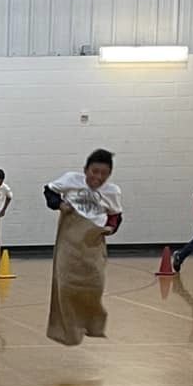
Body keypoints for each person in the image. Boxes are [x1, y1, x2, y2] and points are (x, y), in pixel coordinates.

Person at [44, 148, 123, 346]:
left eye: (104, 174)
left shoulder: (112, 191)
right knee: (66, 285)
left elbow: (115, 215)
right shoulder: (71, 180)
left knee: (95, 282)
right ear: (85, 170)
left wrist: (110, 229)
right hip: (69, 238)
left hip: (93, 240)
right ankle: (67, 329)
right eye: (94, 172)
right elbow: (49, 191)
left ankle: (93, 323)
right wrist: (60, 205)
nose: (98, 177)